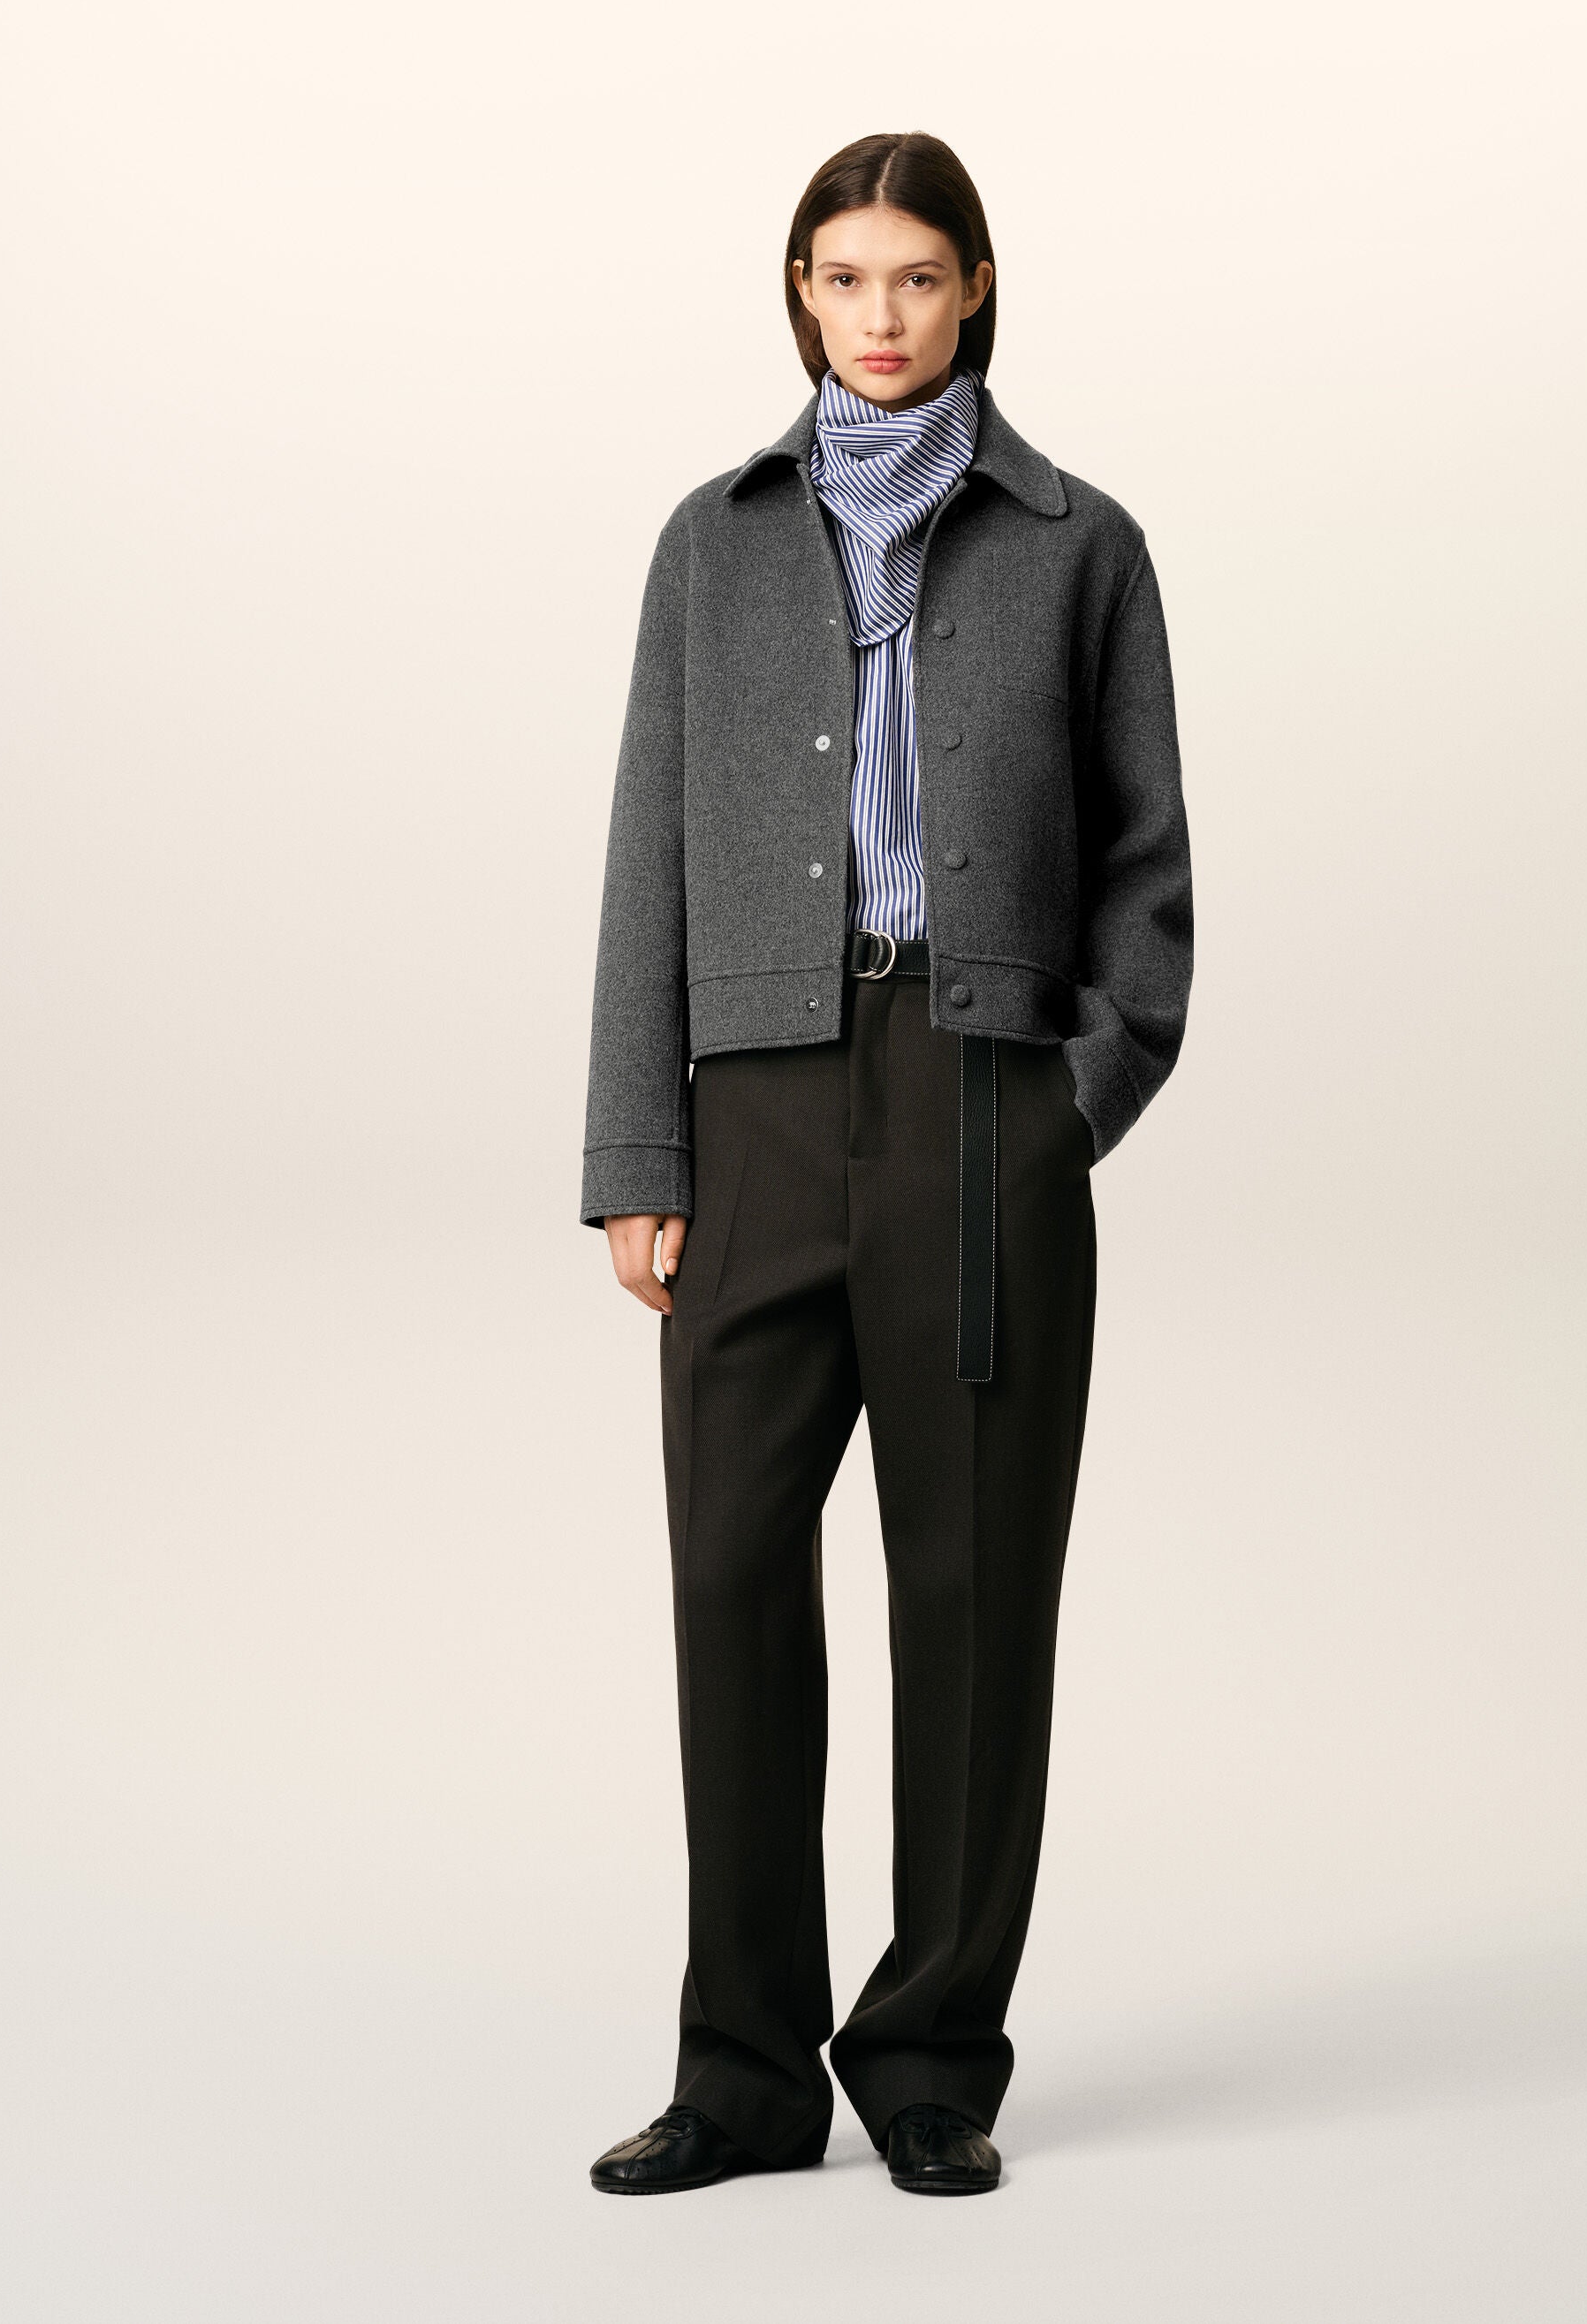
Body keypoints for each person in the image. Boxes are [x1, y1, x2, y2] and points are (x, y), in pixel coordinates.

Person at [578, 132, 1194, 2196]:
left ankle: (930, 2057)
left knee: (975, 1594)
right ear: (800, 293)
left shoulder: (1081, 546)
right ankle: (746, 2071)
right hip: (753, 1107)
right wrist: (638, 1145)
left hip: (979, 1101)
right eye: (843, 277)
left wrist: (1063, 1106)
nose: (880, 314)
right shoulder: (712, 544)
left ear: (976, 288)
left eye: (917, 276)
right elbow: (648, 856)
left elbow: (1150, 871)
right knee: (733, 1581)